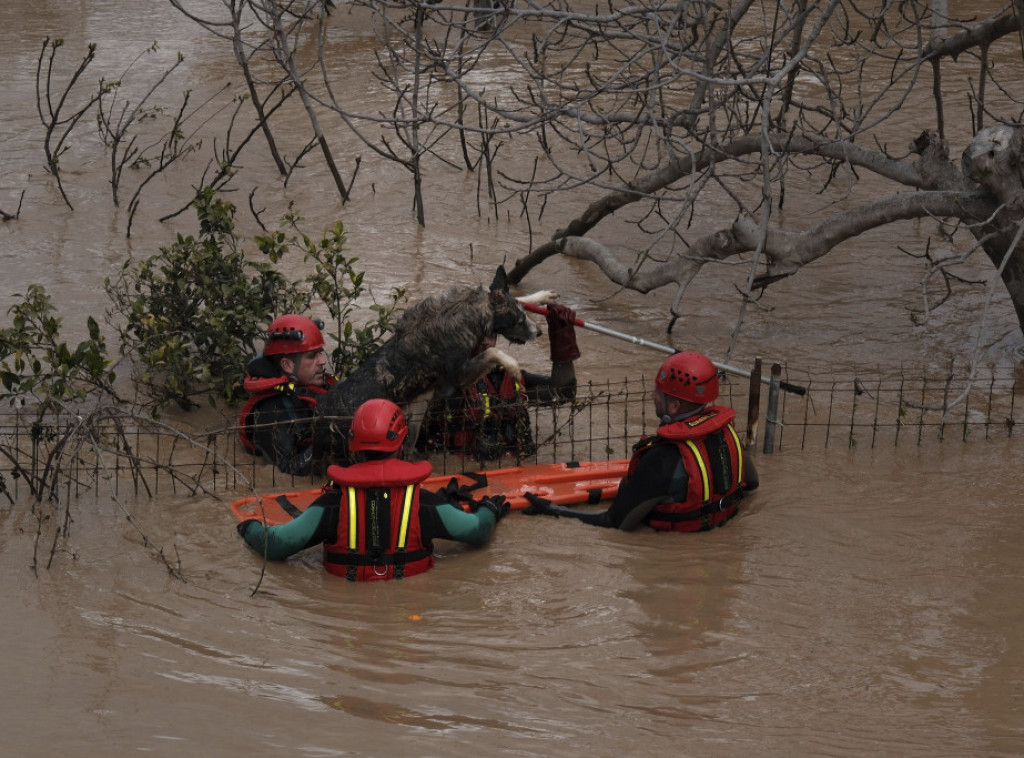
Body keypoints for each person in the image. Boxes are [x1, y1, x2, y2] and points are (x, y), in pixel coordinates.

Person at [236, 398, 509, 580]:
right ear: (402, 443)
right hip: (409, 611)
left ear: (353, 444)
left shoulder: (331, 505)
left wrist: (249, 527)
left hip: (346, 614)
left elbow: (276, 545)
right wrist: (488, 509)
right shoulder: (425, 504)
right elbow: (477, 531)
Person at [521, 351, 759, 531]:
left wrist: (553, 510)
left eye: (658, 392)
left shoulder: (662, 458)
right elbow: (753, 484)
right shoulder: (727, 434)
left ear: (674, 405)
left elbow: (614, 523)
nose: (654, 396)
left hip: (671, 560)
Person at [417, 301, 581, 460]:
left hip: (512, 472)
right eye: (477, 336)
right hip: (456, 475)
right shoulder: (440, 380)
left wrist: (562, 338)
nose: (486, 342)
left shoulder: (510, 376)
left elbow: (562, 393)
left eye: (490, 335)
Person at [238, 314, 336, 476]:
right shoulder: (271, 412)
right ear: (288, 365)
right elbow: (288, 470)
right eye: (312, 356)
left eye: (320, 353)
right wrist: (326, 438)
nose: (322, 361)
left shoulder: (308, 384)